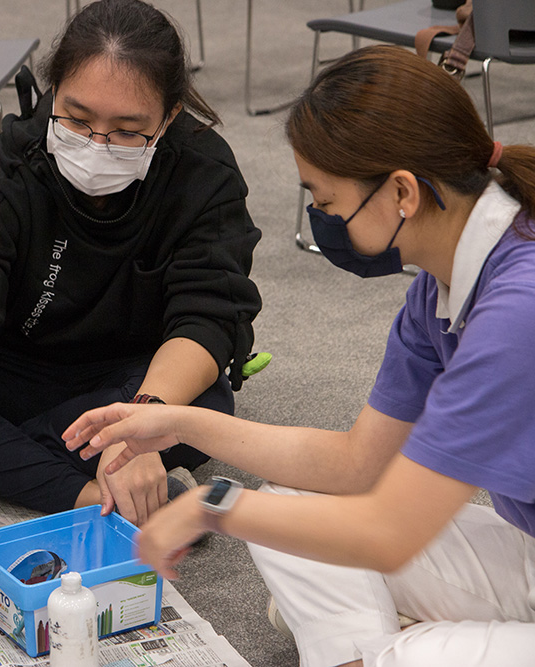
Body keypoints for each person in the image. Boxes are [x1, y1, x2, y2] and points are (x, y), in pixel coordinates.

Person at [63, 45, 535, 667]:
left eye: (327, 203)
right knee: (290, 507)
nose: (321, 219)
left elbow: (391, 533)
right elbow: (357, 464)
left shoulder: (517, 307)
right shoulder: (439, 291)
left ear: (402, 193)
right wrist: (178, 422)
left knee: (410, 652)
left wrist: (213, 505)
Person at [0, 0, 261, 556]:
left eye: (128, 130)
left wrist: (138, 423)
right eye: (77, 119)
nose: (96, 144)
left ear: (170, 115)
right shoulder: (14, 163)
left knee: (206, 403)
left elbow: (207, 317)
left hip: (130, 381)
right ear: (53, 91)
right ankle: (89, 494)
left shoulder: (203, 172)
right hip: (10, 364)